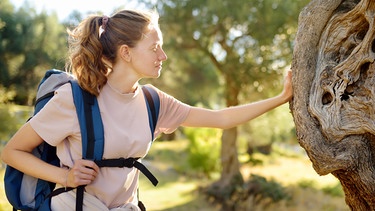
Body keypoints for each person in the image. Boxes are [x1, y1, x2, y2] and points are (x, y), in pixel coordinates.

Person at [1, 9, 293, 211]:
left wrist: (280, 98)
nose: (163, 56)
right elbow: (12, 152)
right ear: (126, 52)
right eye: (155, 47)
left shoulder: (154, 101)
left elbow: (221, 118)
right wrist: (64, 177)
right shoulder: (74, 99)